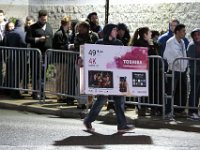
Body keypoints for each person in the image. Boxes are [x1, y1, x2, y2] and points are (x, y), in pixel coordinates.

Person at [83, 23, 134, 132]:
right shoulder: (99, 43)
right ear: (109, 31)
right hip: (104, 76)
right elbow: (93, 56)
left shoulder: (119, 43)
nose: (116, 32)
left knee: (119, 101)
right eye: (114, 30)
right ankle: (88, 120)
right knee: (101, 100)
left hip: (117, 76)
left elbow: (122, 59)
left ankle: (122, 125)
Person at [129, 27, 162, 116]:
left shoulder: (148, 42)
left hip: (151, 70)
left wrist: (152, 44)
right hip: (144, 70)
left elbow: (158, 46)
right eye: (149, 33)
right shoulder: (139, 43)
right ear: (145, 35)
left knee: (152, 89)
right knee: (143, 90)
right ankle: (142, 107)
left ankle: (151, 107)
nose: (151, 34)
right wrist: (151, 46)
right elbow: (147, 53)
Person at [26, 9, 53, 100]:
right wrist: (38, 39)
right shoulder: (32, 27)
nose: (44, 21)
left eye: (46, 19)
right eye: (42, 20)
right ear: (39, 18)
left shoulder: (49, 26)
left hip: (47, 55)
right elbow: (28, 39)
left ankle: (42, 93)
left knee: (45, 75)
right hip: (37, 55)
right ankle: (35, 93)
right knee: (36, 74)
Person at [163, 24, 188, 120]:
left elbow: (184, 55)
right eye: (183, 31)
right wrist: (179, 64)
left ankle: (179, 111)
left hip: (182, 70)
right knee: (171, 91)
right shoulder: (170, 42)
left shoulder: (182, 42)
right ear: (177, 32)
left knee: (182, 91)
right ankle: (168, 111)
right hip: (174, 69)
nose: (184, 33)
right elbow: (171, 56)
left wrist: (184, 66)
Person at [74, 21, 99, 109]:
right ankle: (81, 102)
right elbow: (77, 46)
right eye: (79, 28)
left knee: (91, 82)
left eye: (82, 27)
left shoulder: (94, 36)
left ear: (86, 28)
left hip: (92, 62)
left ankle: (90, 101)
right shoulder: (77, 36)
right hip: (80, 61)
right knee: (81, 82)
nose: (79, 29)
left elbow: (97, 47)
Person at [3, 19, 27, 98]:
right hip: (20, 57)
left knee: (11, 74)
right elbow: (25, 44)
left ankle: (9, 90)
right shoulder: (23, 33)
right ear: (22, 25)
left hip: (9, 56)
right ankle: (15, 93)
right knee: (17, 75)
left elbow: (4, 44)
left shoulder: (8, 34)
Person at [52, 16, 72, 103]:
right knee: (60, 78)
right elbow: (58, 47)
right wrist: (68, 46)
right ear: (68, 23)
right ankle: (59, 95)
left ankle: (62, 94)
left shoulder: (63, 33)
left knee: (63, 78)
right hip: (60, 59)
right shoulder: (59, 34)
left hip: (64, 59)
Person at [187, 28, 200, 120]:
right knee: (194, 92)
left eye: (198, 34)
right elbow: (192, 60)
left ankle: (195, 111)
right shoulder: (192, 45)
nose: (197, 37)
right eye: (195, 35)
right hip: (195, 73)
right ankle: (192, 112)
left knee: (197, 93)